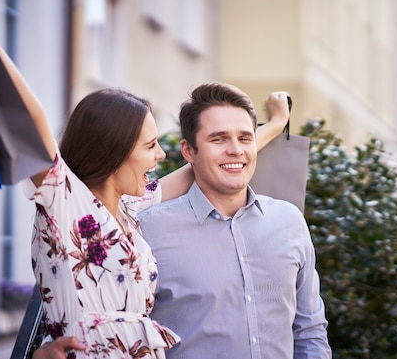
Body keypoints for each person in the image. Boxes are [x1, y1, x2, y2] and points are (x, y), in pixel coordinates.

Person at [0, 0, 290, 359]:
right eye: (150, 146)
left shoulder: (128, 209)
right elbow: (30, 117)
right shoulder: (65, 202)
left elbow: (211, 159)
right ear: (114, 151)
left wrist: (274, 125)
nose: (161, 155)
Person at [139, 83, 332, 358]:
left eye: (245, 138)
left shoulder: (289, 222)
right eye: (218, 139)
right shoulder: (148, 230)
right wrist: (277, 123)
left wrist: (278, 123)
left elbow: (309, 332)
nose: (235, 150)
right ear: (188, 151)